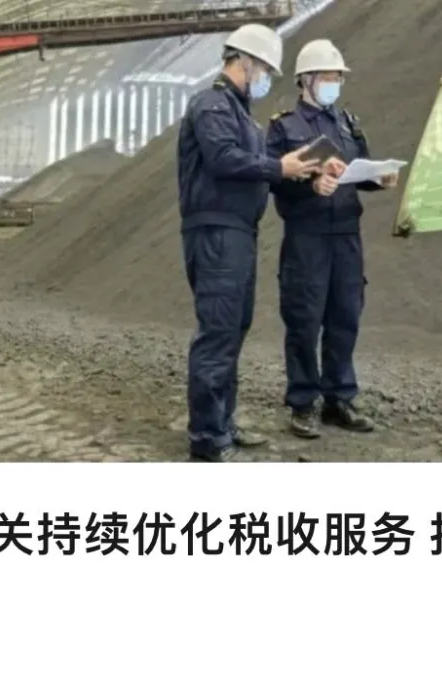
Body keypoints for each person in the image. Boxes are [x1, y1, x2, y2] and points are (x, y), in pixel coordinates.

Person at [177, 24, 320, 462]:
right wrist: (278, 167)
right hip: (216, 231)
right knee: (218, 333)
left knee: (233, 330)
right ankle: (207, 440)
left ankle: (222, 422)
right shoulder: (212, 104)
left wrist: (304, 172)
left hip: (238, 232)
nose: (267, 79)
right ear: (244, 61)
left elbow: (259, 168)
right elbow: (223, 159)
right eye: (266, 70)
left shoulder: (242, 116)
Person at [266, 39, 399, 440]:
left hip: (346, 235)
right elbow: (272, 179)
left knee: (345, 316)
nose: (334, 83)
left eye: (338, 77)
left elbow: (359, 170)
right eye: (328, 76)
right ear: (306, 79)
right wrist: (310, 187)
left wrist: (380, 178)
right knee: (304, 320)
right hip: (306, 236)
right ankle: (303, 402)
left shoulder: (347, 123)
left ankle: (339, 398)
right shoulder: (283, 127)